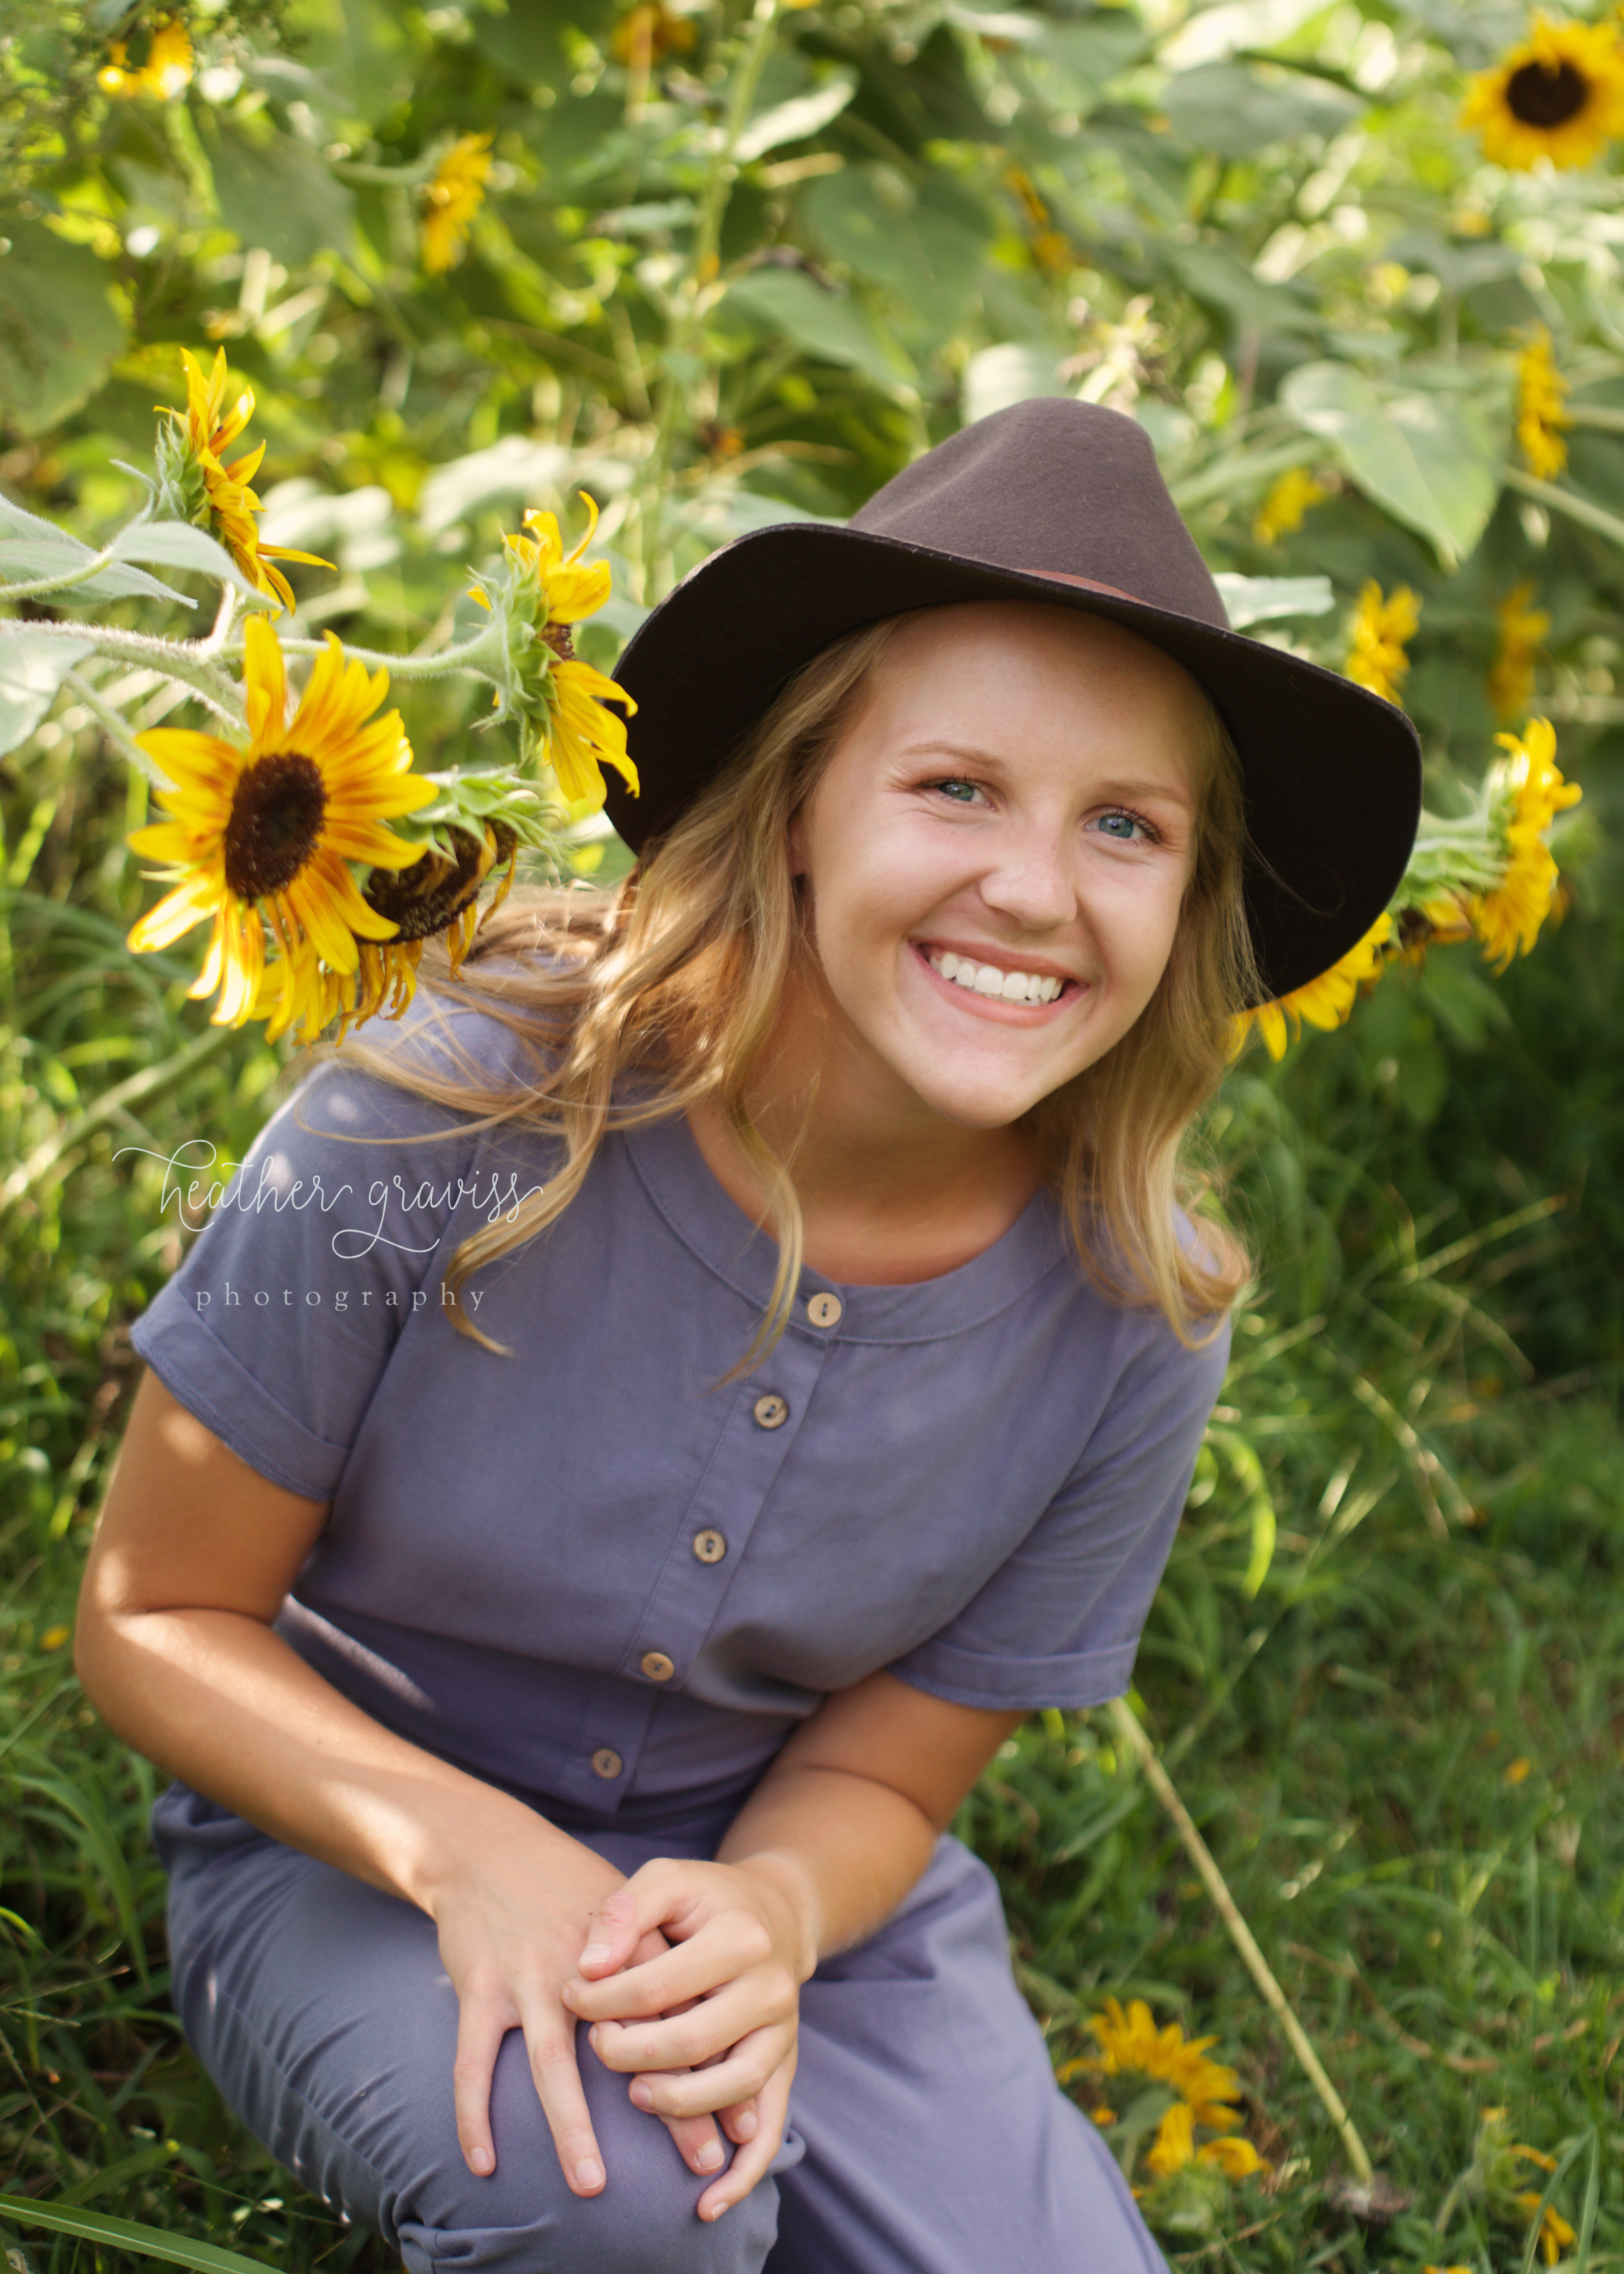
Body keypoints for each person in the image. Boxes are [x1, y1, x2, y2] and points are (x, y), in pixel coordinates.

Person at [74, 399, 1419, 2274]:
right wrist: (473, 1858)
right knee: (620, 2208)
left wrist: (775, 1918)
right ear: (792, 804)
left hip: (782, 1878)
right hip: (347, 1832)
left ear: (1190, 903)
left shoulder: (1136, 1305)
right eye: (954, 787)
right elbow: (154, 1615)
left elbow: (885, 1771)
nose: (1033, 888)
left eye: (1126, 826)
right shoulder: (451, 1106)